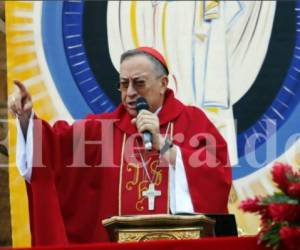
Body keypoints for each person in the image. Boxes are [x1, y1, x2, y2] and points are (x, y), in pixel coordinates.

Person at [9, 47, 231, 246]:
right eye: (124, 84)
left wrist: (164, 146)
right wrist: (27, 119)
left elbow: (217, 176)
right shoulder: (101, 130)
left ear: (163, 83)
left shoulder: (192, 122)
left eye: (139, 83)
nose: (131, 92)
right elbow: (52, 150)